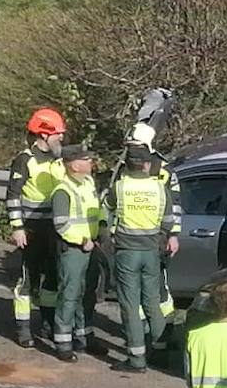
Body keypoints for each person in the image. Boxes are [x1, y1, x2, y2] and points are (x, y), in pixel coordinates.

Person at [105, 145, 179, 373]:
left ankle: (136, 359)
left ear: (127, 165)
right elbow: (168, 221)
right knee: (152, 302)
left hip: (127, 251)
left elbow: (106, 213)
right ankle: (160, 352)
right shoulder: (159, 188)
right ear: (147, 165)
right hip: (151, 252)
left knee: (129, 304)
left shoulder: (120, 187)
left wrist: (109, 235)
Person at [6, 108, 67, 348]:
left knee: (52, 278)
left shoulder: (58, 159)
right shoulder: (25, 159)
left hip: (54, 228)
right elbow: (12, 195)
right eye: (57, 134)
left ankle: (48, 322)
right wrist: (17, 227)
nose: (61, 138)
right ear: (43, 134)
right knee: (27, 279)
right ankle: (22, 328)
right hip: (31, 227)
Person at [124, 123, 183, 336]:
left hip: (157, 237)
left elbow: (174, 204)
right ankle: (141, 333)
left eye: (136, 145)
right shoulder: (126, 167)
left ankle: (164, 332)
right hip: (131, 238)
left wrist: (173, 235)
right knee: (137, 291)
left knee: (159, 289)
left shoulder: (164, 170)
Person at [50, 145, 104, 362]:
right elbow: (61, 225)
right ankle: (63, 342)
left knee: (87, 294)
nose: (91, 163)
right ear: (74, 165)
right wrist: (83, 241)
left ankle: (84, 337)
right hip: (74, 250)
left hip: (91, 247)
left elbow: (97, 209)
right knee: (69, 294)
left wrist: (102, 227)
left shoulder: (89, 183)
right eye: (87, 159)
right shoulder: (63, 191)